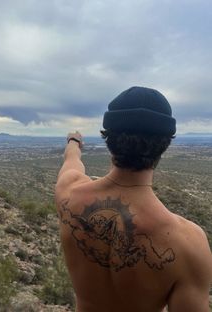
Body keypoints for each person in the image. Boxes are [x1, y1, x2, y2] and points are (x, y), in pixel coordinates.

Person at [55, 86, 212, 312]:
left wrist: (73, 141)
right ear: (166, 143)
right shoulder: (188, 244)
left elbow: (71, 160)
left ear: (108, 138)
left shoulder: (68, 193)